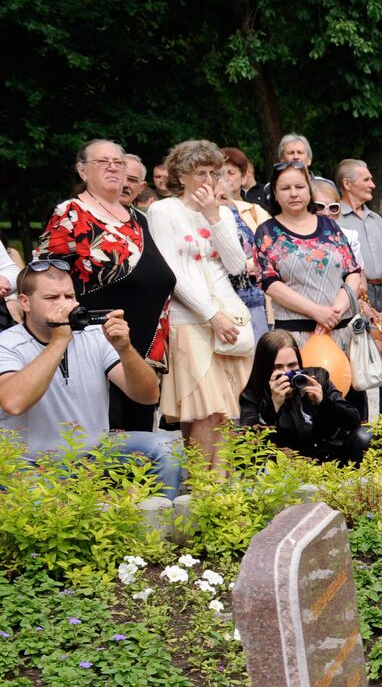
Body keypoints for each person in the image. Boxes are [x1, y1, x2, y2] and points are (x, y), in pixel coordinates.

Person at [0, 261, 180, 497]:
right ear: (25, 302)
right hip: (31, 463)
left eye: (69, 296)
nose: (64, 304)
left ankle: (158, 518)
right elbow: (13, 403)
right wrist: (59, 340)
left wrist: (125, 349)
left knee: (165, 449)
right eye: (51, 298)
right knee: (47, 511)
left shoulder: (94, 335)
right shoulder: (7, 343)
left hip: (96, 453)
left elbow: (148, 396)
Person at [35, 138, 176, 433]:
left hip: (143, 350)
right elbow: (48, 278)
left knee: (138, 447)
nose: (112, 167)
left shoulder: (139, 219)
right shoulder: (70, 213)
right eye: (102, 161)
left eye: (118, 162)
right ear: (83, 171)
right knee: (104, 443)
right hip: (97, 348)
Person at [146, 140, 254, 471]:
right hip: (190, 319)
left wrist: (214, 217)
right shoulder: (164, 211)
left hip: (230, 315)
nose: (208, 180)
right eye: (199, 173)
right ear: (180, 175)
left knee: (223, 411)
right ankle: (204, 485)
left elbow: (237, 265)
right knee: (205, 409)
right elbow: (171, 274)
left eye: (213, 173)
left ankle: (216, 482)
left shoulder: (220, 212)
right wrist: (211, 315)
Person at [252, 159, 367, 420]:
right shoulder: (267, 232)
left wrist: (335, 310)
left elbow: (352, 272)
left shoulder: (329, 226)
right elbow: (269, 283)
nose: (293, 193)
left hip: (339, 330)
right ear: (275, 194)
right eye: (285, 188)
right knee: (303, 408)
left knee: (348, 409)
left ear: (309, 190)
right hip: (297, 337)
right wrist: (316, 312)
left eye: (299, 187)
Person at [335, 158, 382, 456]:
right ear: (347, 184)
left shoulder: (376, 219)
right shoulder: (335, 221)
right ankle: (361, 438)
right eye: (366, 179)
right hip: (354, 298)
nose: (372, 184)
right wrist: (361, 304)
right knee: (358, 372)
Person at [238, 331, 370, 464]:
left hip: (328, 459)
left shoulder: (318, 377)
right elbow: (249, 450)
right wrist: (272, 408)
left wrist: (323, 402)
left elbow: (353, 420)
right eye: (277, 367)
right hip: (287, 465)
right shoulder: (252, 396)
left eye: (292, 365)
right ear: (265, 369)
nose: (287, 373)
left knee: (364, 435)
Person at [218, 147, 272, 341]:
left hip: (256, 297)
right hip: (221, 299)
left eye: (231, 172)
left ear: (243, 178)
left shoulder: (255, 211)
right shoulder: (202, 213)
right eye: (219, 172)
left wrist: (250, 264)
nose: (224, 177)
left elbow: (272, 249)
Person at [248, 134, 314, 210]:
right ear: (282, 159)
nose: (296, 157)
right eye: (291, 153)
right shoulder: (269, 188)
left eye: (300, 152)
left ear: (309, 160)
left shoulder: (323, 184)